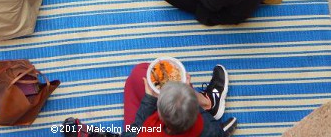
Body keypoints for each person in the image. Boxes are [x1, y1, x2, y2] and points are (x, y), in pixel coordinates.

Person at [62, 63, 237, 136]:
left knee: (139, 74)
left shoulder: (150, 130)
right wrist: (187, 91)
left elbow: (133, 133)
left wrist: (148, 99)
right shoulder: (203, 125)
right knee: (141, 73)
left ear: (158, 112)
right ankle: (208, 103)